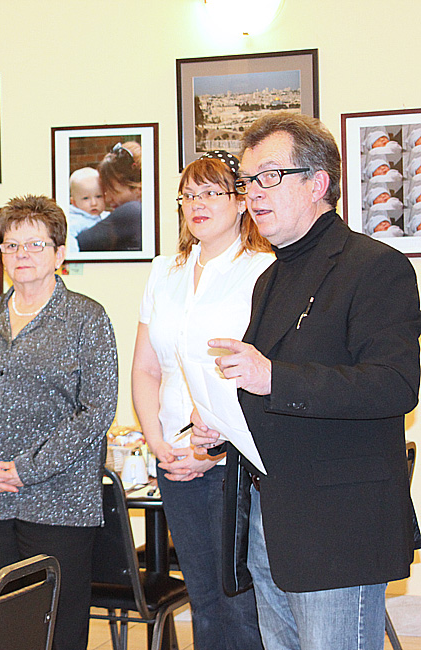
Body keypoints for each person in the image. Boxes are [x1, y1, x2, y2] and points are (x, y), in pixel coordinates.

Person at [191, 113, 421, 650]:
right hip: (273, 524)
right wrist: (226, 425)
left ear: (317, 183)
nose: (253, 193)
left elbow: (394, 386)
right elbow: (262, 391)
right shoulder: (271, 276)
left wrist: (273, 377)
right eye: (247, 181)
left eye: (268, 176)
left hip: (339, 529)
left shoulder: (375, 267)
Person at [0, 195, 118, 650]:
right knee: (2, 631)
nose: (22, 255)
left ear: (59, 253)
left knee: (58, 630)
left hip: (58, 502)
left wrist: (26, 468)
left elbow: (97, 410)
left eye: (35, 244)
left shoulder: (86, 319)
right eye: (12, 245)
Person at [131, 151, 271, 650]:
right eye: (189, 194)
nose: (198, 203)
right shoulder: (163, 272)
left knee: (242, 601)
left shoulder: (263, 270)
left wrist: (206, 453)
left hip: (234, 462)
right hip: (174, 461)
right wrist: (158, 443)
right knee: (204, 598)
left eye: (212, 192)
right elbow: (147, 367)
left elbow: (257, 371)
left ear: (241, 201)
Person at [78, 142, 143, 251]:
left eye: (114, 191)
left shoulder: (133, 211)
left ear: (138, 189)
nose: (107, 199)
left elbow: (79, 243)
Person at [65, 166, 107, 254]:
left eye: (98, 196)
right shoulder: (75, 220)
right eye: (86, 198)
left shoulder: (105, 216)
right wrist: (75, 257)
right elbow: (68, 237)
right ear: (74, 202)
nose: (93, 203)